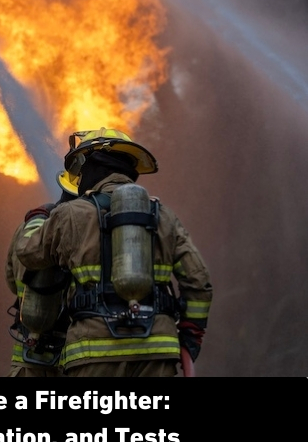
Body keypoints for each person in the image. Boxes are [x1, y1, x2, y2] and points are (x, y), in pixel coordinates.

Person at [14, 127, 213, 377]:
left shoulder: (70, 215)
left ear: (92, 168)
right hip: (157, 349)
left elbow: (27, 253)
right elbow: (199, 282)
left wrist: (38, 218)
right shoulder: (163, 216)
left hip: (92, 352)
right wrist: (190, 337)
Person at [5, 170, 78, 377]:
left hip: (28, 357)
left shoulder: (28, 228)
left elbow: (12, 281)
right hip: (73, 359)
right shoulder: (89, 229)